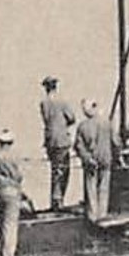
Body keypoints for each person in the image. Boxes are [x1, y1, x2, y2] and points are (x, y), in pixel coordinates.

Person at [73, 99, 119, 221]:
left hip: (91, 161)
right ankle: (102, 215)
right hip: (105, 159)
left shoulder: (82, 126)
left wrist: (87, 158)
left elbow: (78, 146)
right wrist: (118, 156)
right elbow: (115, 142)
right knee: (103, 188)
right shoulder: (107, 123)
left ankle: (93, 216)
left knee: (91, 189)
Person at [39, 76, 77, 210]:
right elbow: (72, 118)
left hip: (50, 139)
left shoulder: (44, 102)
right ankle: (58, 200)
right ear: (55, 86)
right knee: (63, 171)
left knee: (55, 170)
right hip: (61, 139)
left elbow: (46, 119)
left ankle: (54, 200)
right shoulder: (62, 101)